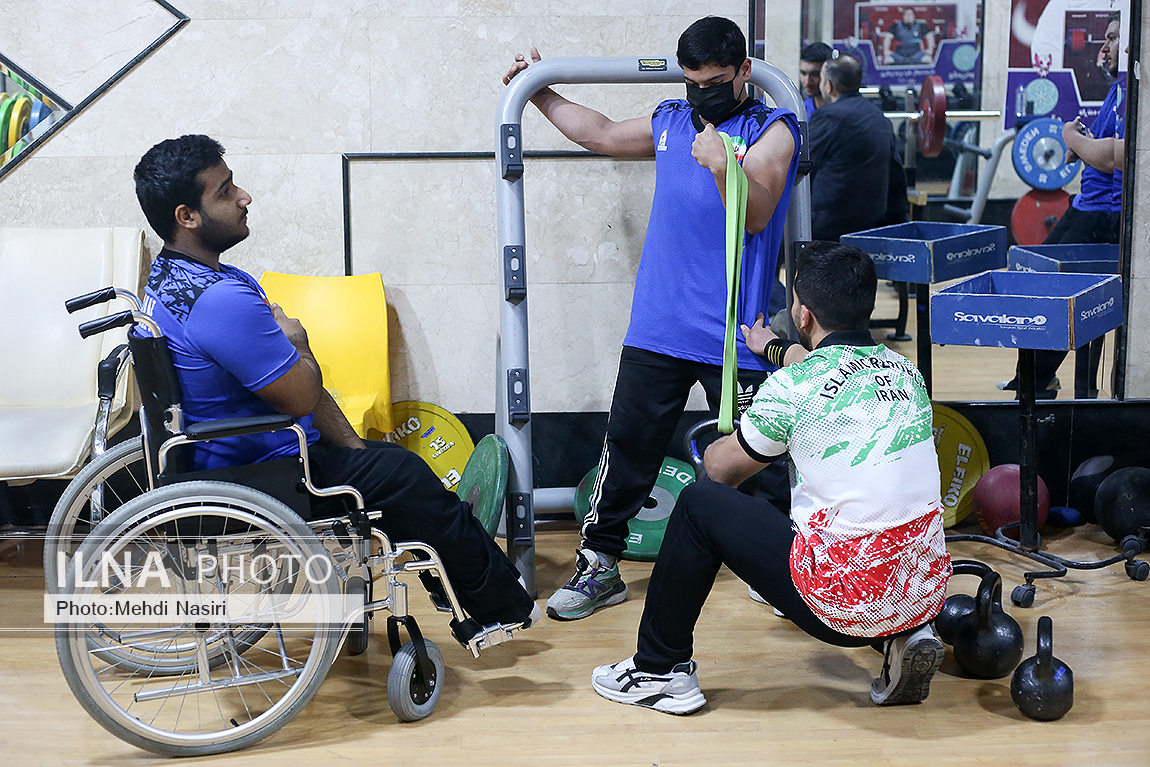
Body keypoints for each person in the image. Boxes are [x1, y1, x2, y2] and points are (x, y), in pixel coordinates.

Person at [132, 134, 538, 634]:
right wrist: (299, 340)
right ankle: (503, 610)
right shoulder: (220, 301)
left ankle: (453, 568)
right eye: (224, 191)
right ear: (186, 216)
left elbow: (292, 388)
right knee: (409, 476)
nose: (244, 197)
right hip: (261, 475)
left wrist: (354, 448)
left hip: (229, 458)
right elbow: (300, 391)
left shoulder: (168, 281)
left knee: (384, 465)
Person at [504, 16, 801, 621]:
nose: (703, 94)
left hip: (738, 335)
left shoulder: (774, 129)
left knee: (764, 460)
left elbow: (758, 212)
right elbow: (604, 133)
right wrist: (537, 89)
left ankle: (777, 570)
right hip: (660, 328)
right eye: (693, 82)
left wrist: (723, 164)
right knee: (627, 451)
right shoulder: (671, 120)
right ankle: (600, 567)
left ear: (744, 72)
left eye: (716, 81)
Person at [590, 242, 951, 714]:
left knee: (701, 504)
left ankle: (659, 671)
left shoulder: (791, 389)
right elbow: (830, 367)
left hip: (840, 610)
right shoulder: (906, 372)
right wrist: (774, 350)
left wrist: (740, 432)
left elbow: (722, 470)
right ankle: (900, 639)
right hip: (923, 593)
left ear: (803, 314)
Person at [999, 13, 1123, 399]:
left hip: (1105, 214)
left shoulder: (1134, 91)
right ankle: (1037, 380)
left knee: (1061, 300)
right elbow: (1100, 148)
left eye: (1114, 38)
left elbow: (1112, 157)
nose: (1103, 48)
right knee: (1039, 290)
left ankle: (1066, 390)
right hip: (1088, 205)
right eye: (1104, 39)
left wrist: (1071, 135)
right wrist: (1082, 144)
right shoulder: (1117, 89)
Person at [808, 52, 904, 241]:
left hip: (828, 228)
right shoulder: (879, 117)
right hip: (869, 226)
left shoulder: (828, 116)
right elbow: (896, 173)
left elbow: (802, 164)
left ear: (829, 86)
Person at [798, 42, 833, 116]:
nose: (807, 82)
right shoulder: (802, 111)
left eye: (815, 74)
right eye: (803, 73)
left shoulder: (844, 110)